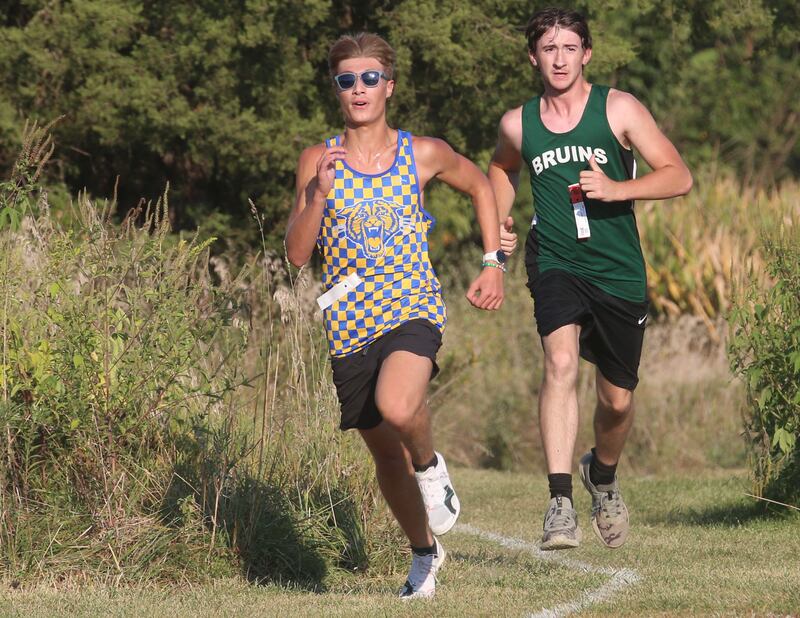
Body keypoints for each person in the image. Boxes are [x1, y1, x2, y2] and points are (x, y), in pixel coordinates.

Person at [285, 32, 506, 597]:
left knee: (398, 404)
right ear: (336, 88)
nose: (358, 90)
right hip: (349, 322)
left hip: (411, 304)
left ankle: (432, 469)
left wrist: (492, 261)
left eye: (368, 78)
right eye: (346, 80)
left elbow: (480, 185)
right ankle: (425, 554)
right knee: (385, 451)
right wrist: (317, 195)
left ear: (389, 86)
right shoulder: (317, 158)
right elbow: (296, 254)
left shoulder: (421, 152)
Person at [489, 7, 692, 550]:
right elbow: (502, 169)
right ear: (533, 56)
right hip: (555, 258)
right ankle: (559, 503)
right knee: (559, 363)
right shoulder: (519, 122)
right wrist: (498, 226)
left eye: (569, 48)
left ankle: (601, 474)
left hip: (618, 270)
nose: (559, 58)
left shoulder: (618, 108)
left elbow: (678, 175)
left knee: (618, 400)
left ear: (587, 54)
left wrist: (616, 190)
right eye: (549, 49)